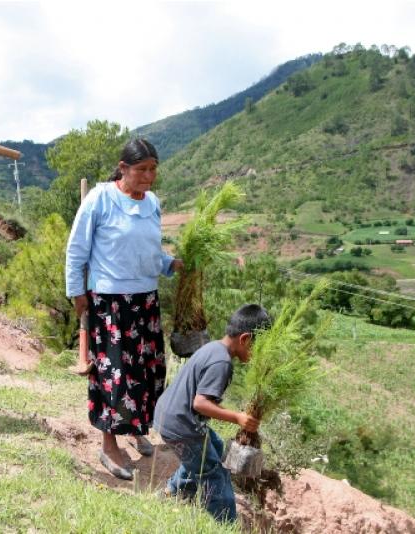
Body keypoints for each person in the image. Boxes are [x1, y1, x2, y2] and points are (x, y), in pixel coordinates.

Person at [66, 138, 184, 480]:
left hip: (145, 301)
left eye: (153, 170)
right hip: (110, 303)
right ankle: (108, 444)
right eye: (141, 169)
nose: (148, 176)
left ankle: (135, 428)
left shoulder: (153, 203)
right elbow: (77, 251)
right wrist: (77, 292)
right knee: (113, 374)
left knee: (146, 373)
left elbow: (148, 251)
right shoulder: (100, 199)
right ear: (123, 168)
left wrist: (169, 264)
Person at [153, 304, 271, 523]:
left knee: (213, 447)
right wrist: (237, 417)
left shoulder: (214, 347)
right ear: (245, 339)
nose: (259, 355)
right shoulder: (222, 363)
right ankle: (225, 523)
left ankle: (173, 492)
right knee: (215, 475)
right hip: (182, 426)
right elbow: (200, 403)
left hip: (170, 416)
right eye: (258, 347)